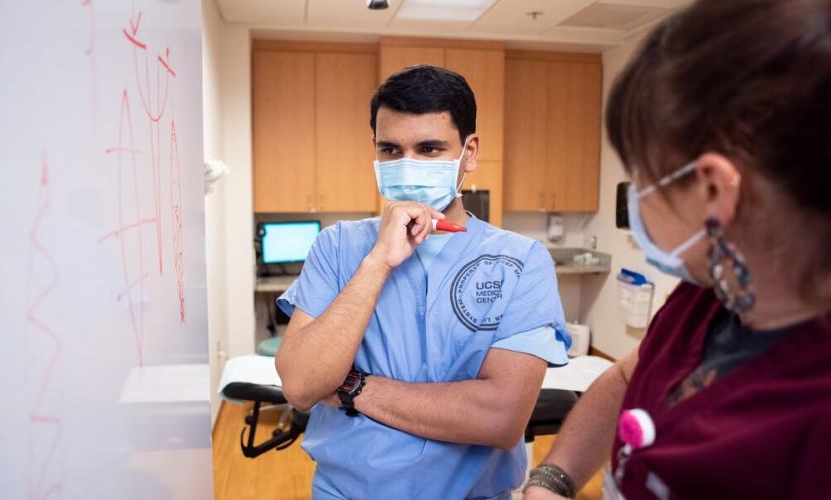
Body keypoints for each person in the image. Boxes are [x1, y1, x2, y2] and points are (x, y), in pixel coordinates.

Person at [523, 0, 831, 498]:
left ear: (713, 190)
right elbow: (630, 374)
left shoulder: (813, 425)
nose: (635, 195)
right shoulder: (709, 292)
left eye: (643, 177)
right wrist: (553, 478)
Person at [274, 65, 571, 499]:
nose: (407, 164)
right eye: (391, 149)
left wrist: (354, 386)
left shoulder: (521, 261)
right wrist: (378, 261)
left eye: (430, 149)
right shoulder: (338, 247)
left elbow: (500, 419)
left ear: (469, 153)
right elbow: (301, 385)